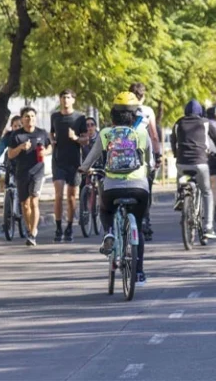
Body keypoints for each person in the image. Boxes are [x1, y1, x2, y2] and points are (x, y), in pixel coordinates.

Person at [79, 92, 153, 286]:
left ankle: (110, 232)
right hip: (139, 188)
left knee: (105, 210)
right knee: (138, 224)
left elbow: (91, 159)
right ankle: (139, 273)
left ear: (113, 115)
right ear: (135, 115)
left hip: (112, 188)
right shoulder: (142, 133)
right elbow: (150, 162)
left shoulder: (105, 134)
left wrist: (83, 169)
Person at [170, 100, 216, 240]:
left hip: (182, 163)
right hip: (200, 163)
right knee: (207, 192)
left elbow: (173, 140)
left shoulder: (178, 122)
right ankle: (208, 227)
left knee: (181, 178)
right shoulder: (205, 122)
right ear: (200, 112)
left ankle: (180, 196)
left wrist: (176, 154)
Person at [7, 107, 52, 247]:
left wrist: (45, 152)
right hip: (22, 172)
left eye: (32, 116)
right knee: (25, 205)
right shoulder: (16, 136)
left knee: (34, 202)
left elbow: (50, 147)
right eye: (27, 116)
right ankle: (29, 228)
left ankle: (32, 233)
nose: (30, 119)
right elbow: (10, 154)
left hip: (37, 171)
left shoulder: (42, 133)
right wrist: (20, 147)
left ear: (35, 118)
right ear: (22, 119)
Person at [50, 89, 88, 243]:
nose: (65, 100)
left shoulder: (80, 118)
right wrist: (52, 141)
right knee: (58, 195)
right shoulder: (55, 116)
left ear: (73, 100)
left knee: (71, 197)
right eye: (62, 97)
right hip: (58, 160)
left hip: (74, 162)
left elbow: (85, 139)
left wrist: (76, 138)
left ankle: (70, 227)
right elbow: (51, 133)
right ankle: (58, 227)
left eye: (68, 97)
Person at [129, 83, 162, 241]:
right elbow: (154, 135)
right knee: (146, 189)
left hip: (124, 156)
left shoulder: (122, 109)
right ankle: (145, 221)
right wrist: (158, 155)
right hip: (143, 156)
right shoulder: (147, 111)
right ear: (143, 96)